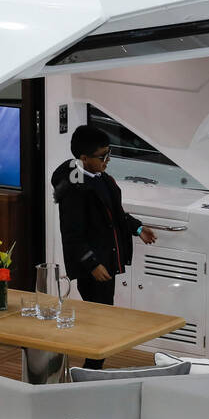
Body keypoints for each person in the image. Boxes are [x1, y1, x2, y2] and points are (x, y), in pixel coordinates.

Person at [51, 125, 157, 369]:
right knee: (100, 321)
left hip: (107, 260)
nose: (107, 160)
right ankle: (90, 371)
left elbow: (116, 215)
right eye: (102, 156)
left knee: (102, 318)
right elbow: (71, 234)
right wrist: (92, 264)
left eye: (109, 154)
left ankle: (92, 369)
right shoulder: (74, 190)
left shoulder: (103, 179)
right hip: (95, 266)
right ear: (84, 158)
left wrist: (138, 229)